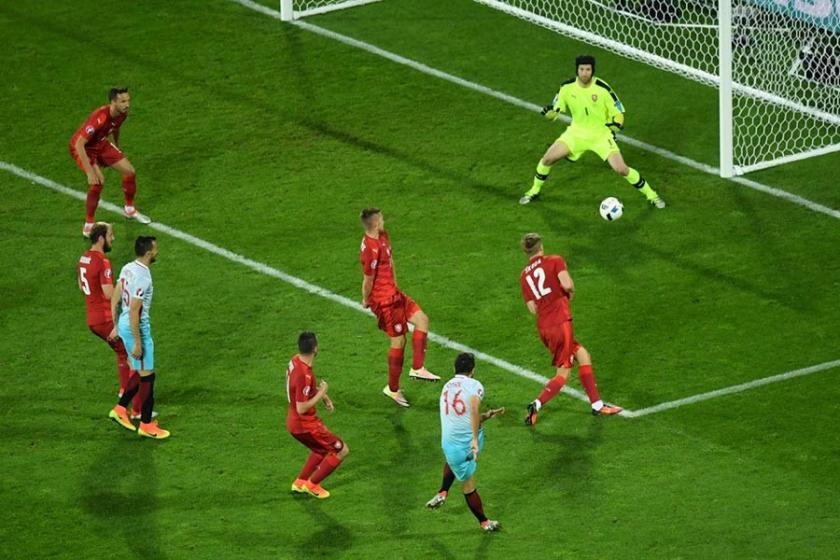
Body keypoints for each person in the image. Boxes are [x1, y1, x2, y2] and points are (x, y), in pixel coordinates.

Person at [519, 55, 665, 209]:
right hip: (576, 133)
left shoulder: (602, 88)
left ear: (592, 70)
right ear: (577, 70)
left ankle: (652, 195)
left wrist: (616, 124)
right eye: (581, 69)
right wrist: (551, 114)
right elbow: (555, 109)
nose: (584, 73)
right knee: (548, 159)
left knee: (621, 169)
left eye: (588, 69)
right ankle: (534, 190)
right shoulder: (566, 87)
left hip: (600, 135)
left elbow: (618, 112)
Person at [519, 233, 623, 423]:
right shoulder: (555, 260)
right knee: (563, 372)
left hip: (544, 327)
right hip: (561, 323)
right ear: (541, 247)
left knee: (582, 355)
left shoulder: (524, 276)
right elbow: (567, 284)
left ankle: (597, 405)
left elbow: (532, 308)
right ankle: (536, 404)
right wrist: (570, 294)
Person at [359, 208, 439, 408]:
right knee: (399, 341)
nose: (384, 220)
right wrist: (366, 300)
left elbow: (391, 261)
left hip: (395, 294)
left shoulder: (383, 236)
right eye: (382, 219)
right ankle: (393, 389)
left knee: (422, 320)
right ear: (376, 223)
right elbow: (368, 279)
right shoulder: (370, 249)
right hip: (384, 301)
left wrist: (395, 285)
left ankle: (417, 367)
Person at [424, 353, 503, 532]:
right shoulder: (474, 386)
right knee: (468, 486)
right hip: (466, 446)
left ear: (454, 369)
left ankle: (442, 492)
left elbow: (464, 417)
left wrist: (486, 416)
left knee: (452, 461)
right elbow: (474, 410)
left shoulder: (446, 387)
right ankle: (484, 522)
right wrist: (474, 439)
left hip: (449, 444)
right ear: (473, 370)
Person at [77, 222, 142, 415]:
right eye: (110, 235)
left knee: (122, 354)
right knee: (136, 359)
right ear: (101, 238)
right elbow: (108, 293)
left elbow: (82, 286)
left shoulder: (84, 258)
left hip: (93, 320)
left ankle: (124, 391)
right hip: (106, 321)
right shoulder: (102, 261)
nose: (113, 238)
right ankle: (136, 411)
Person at [108, 236, 169, 439]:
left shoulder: (127, 267)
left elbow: (115, 295)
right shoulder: (144, 276)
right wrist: (137, 340)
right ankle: (146, 424)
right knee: (148, 376)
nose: (157, 251)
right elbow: (135, 310)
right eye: (155, 248)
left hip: (124, 323)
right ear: (149, 252)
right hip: (136, 327)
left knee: (139, 371)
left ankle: (120, 409)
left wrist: (116, 324)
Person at [69, 86, 151, 238]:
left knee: (129, 171)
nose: (127, 104)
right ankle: (88, 225)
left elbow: (115, 129)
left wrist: (116, 148)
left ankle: (129, 209)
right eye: (123, 101)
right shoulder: (99, 118)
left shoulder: (122, 113)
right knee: (97, 182)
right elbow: (79, 144)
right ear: (113, 102)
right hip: (84, 148)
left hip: (101, 143)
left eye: (128, 100)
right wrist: (89, 171)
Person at [287, 332, 349, 499]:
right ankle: (313, 485)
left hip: (294, 422)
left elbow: (301, 391)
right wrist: (321, 393)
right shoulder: (304, 375)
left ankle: (300, 483)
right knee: (342, 450)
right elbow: (301, 407)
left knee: (319, 449)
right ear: (315, 348)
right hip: (306, 424)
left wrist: (324, 398)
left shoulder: (295, 361)